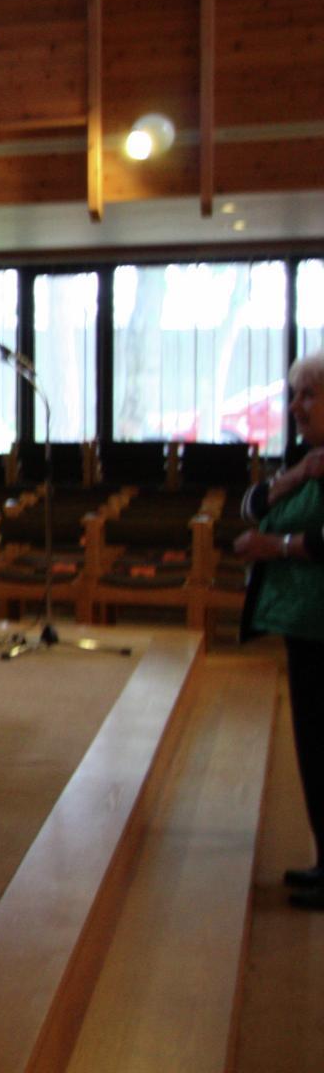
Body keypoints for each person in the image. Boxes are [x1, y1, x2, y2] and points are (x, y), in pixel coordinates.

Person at [235, 348, 324, 908]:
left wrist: (279, 546)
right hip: (302, 622)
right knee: (313, 745)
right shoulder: (303, 455)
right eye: (294, 394)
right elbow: (250, 505)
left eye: (310, 395)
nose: (296, 405)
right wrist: (297, 475)